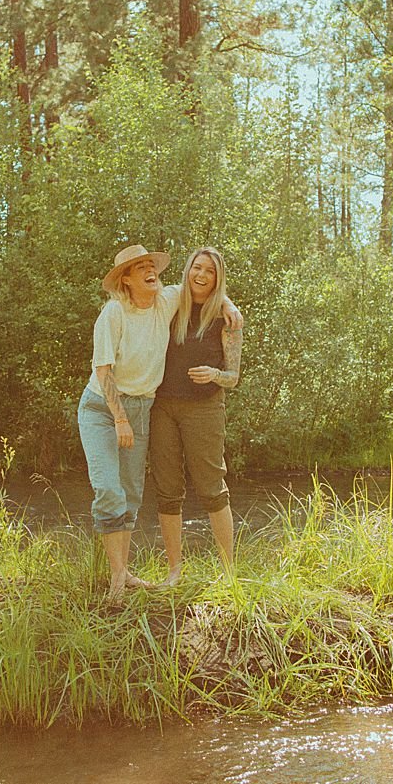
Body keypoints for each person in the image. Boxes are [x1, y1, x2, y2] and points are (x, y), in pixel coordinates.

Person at [78, 244, 178, 602]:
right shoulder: (113, 314)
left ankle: (121, 573)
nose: (151, 271)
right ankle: (118, 579)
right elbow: (102, 369)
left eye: (152, 265)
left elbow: (205, 286)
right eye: (141, 268)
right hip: (102, 409)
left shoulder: (167, 301)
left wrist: (228, 307)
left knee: (131, 495)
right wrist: (120, 418)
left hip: (141, 407)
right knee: (109, 488)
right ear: (126, 279)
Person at [149, 246, 241, 584]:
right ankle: (175, 571)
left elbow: (234, 377)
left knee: (212, 488)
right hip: (162, 408)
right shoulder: (171, 306)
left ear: (218, 278)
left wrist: (214, 375)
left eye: (209, 271)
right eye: (196, 268)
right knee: (167, 490)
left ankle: (229, 574)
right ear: (188, 270)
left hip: (204, 410)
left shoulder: (227, 317)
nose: (201, 276)